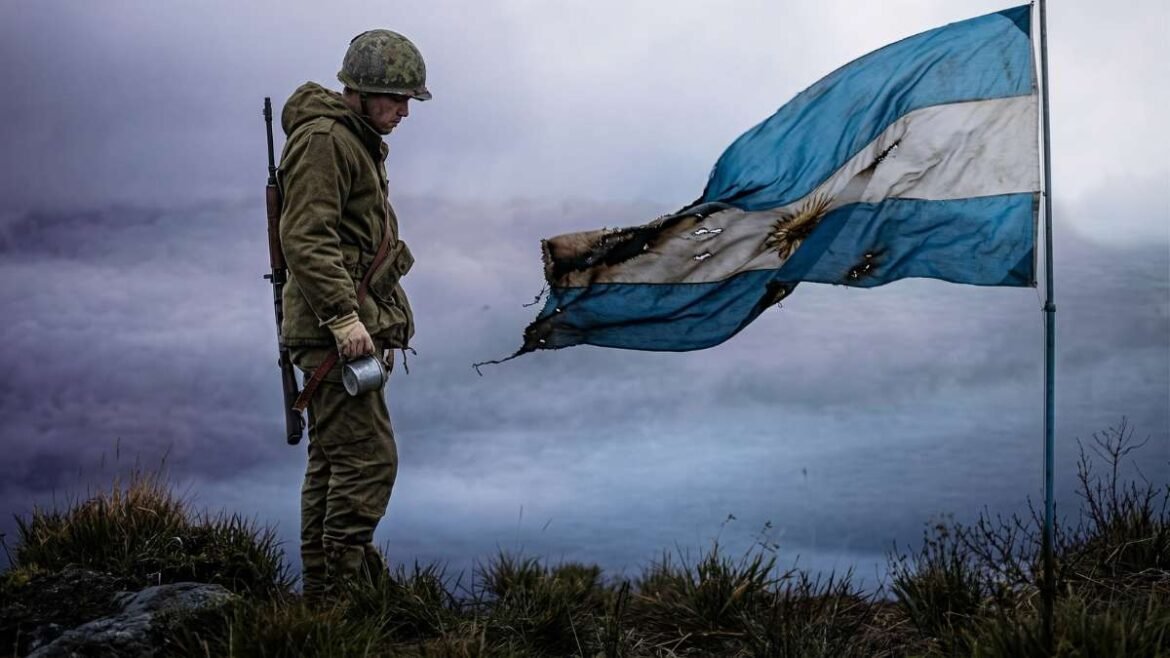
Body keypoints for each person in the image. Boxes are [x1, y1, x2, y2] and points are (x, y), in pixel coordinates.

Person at [277, 28, 430, 599]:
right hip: (330, 332)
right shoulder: (326, 141)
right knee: (368, 462)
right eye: (396, 98)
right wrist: (344, 319)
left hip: (335, 330)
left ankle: (323, 593)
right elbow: (307, 238)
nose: (405, 111)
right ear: (361, 92)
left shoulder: (351, 139)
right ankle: (345, 594)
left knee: (332, 461)